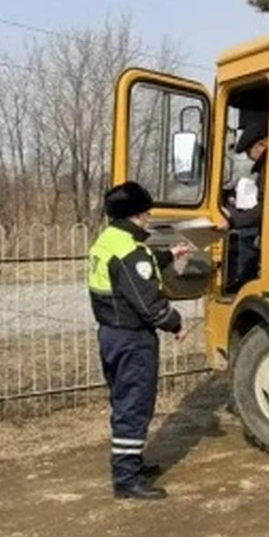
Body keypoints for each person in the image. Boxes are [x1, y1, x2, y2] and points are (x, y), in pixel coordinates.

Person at [87, 181, 192, 501]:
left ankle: (130, 464)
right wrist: (175, 323)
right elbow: (147, 301)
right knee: (134, 405)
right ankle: (126, 480)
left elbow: (134, 270)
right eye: (146, 213)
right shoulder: (131, 251)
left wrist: (168, 255)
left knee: (124, 402)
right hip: (132, 339)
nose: (149, 218)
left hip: (111, 334)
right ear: (137, 214)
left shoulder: (108, 241)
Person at [219, 112, 267, 291]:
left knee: (247, 235)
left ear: (263, 143)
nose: (249, 157)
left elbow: (266, 210)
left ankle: (244, 282)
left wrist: (232, 219)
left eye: (249, 151)